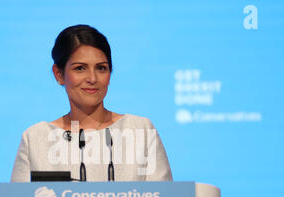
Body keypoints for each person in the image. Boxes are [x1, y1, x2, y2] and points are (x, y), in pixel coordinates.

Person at [11, 24, 172, 182]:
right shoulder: (36, 138)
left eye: (101, 68)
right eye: (80, 68)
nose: (92, 79)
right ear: (59, 74)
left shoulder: (140, 130)